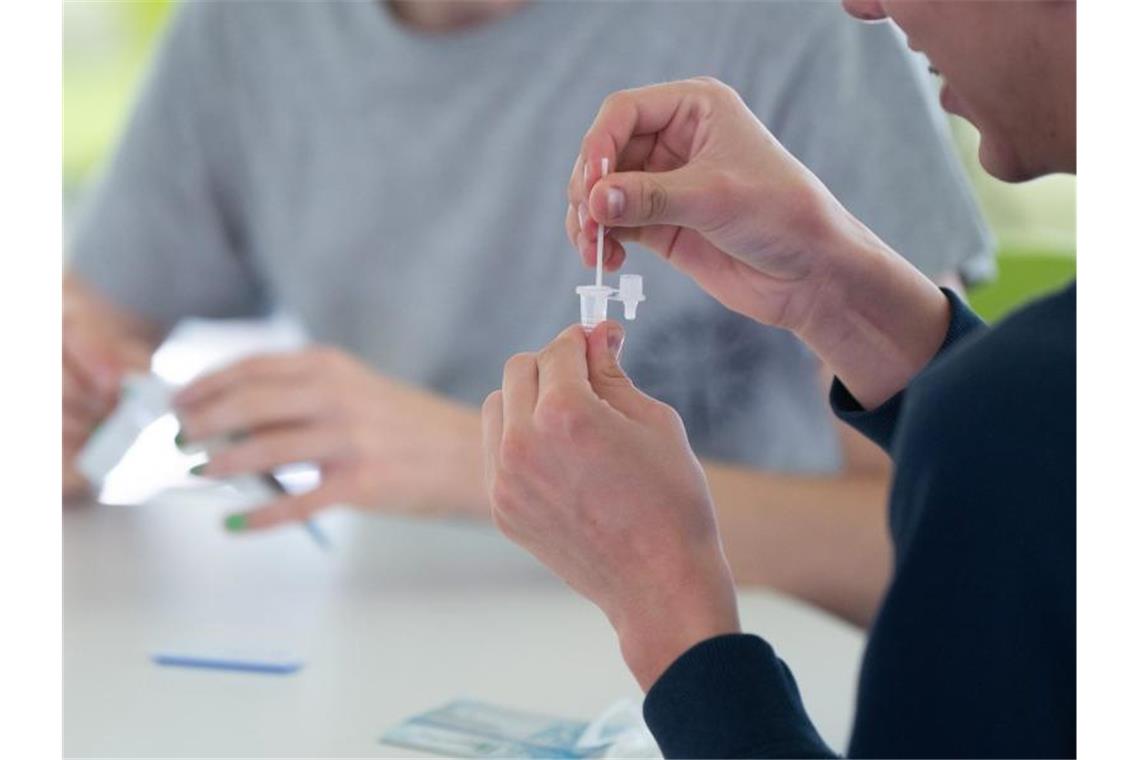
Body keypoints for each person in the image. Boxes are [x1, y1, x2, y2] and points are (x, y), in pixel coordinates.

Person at [64, 0, 992, 627]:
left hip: (743, 669)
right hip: (396, 639)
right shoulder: (248, 30)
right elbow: (86, 330)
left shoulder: (799, 26)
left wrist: (477, 461)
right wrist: (63, 400)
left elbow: (954, 544)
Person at [483, 1, 1074, 757]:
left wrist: (670, 610)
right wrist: (841, 297)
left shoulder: (1020, 402)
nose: (862, 6)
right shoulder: (1043, 400)